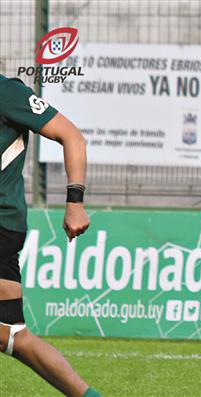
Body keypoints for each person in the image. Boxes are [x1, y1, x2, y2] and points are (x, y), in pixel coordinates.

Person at [0, 74, 100, 397]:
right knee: (11, 333)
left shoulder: (7, 93)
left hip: (1, 222)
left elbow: (72, 137)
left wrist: (75, 203)